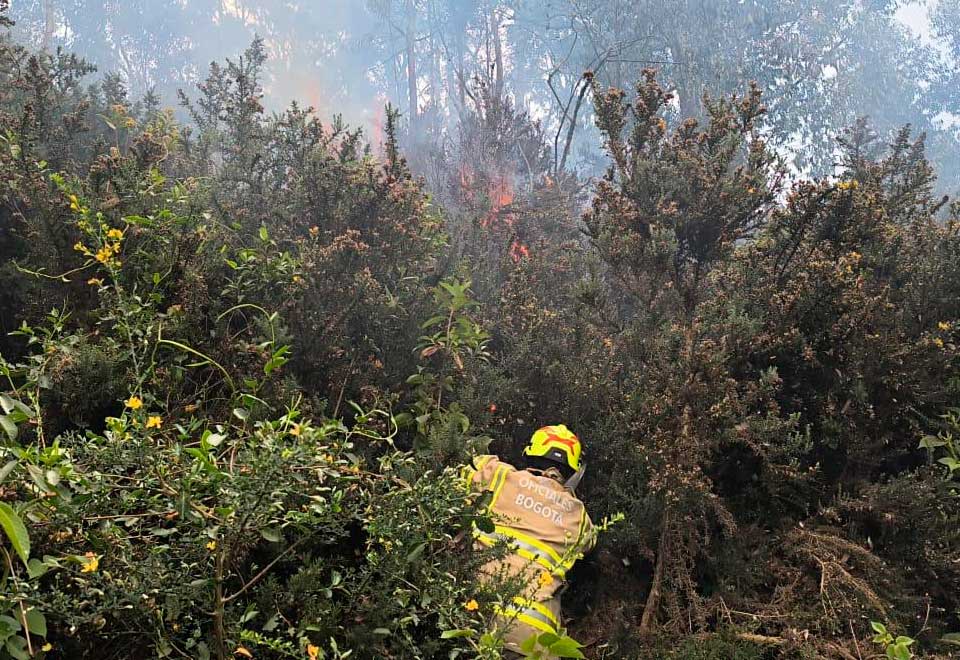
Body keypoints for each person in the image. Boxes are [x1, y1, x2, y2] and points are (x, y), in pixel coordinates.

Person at [462, 424, 595, 656]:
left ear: (529, 454)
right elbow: (590, 542)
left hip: (479, 620)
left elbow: (466, 465)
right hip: (536, 641)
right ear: (572, 472)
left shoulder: (500, 477)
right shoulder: (579, 516)